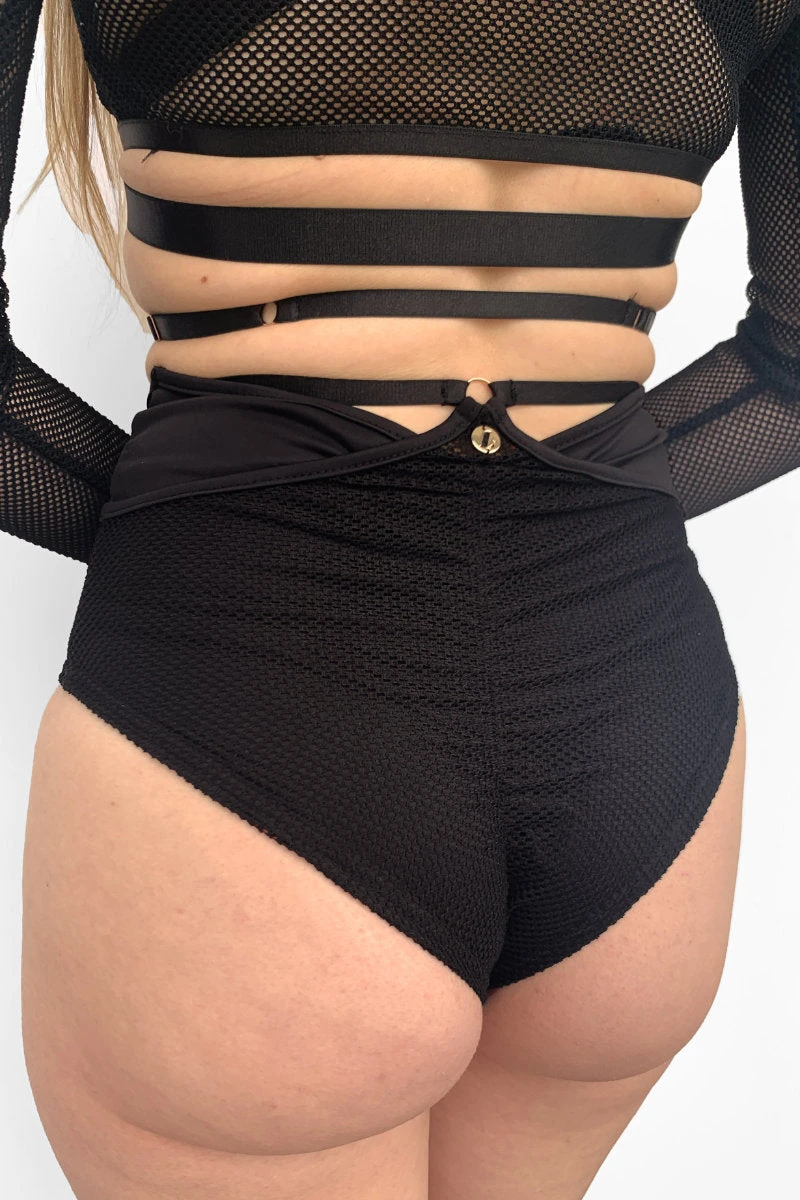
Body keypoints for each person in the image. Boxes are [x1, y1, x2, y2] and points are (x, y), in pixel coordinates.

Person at [3, 2, 797, 1198]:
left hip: (258, 713)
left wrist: (218, 520)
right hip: (638, 730)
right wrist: (567, 513)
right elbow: (789, 371)